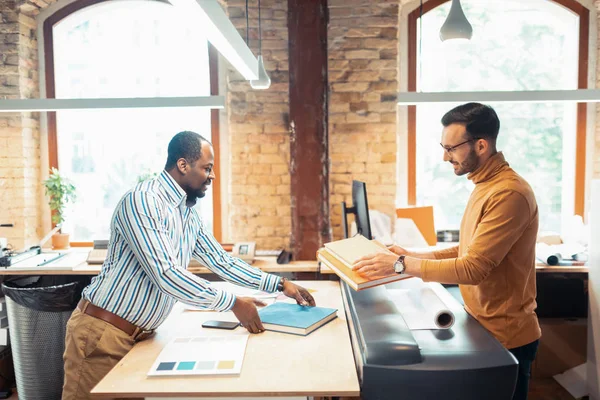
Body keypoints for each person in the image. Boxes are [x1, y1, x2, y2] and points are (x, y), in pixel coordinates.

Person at [62, 131, 315, 400]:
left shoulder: (187, 213)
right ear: (183, 165)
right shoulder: (144, 201)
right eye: (207, 168)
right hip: (103, 334)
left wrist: (279, 284)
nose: (212, 176)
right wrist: (232, 302)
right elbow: (166, 274)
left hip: (141, 337)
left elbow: (221, 260)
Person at [352, 103, 541, 400]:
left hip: (507, 337)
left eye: (451, 148)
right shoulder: (485, 185)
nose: (444, 156)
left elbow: (473, 269)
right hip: (483, 327)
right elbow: (466, 250)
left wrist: (400, 265)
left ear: (481, 145)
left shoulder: (508, 193)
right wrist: (409, 254)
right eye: (444, 147)